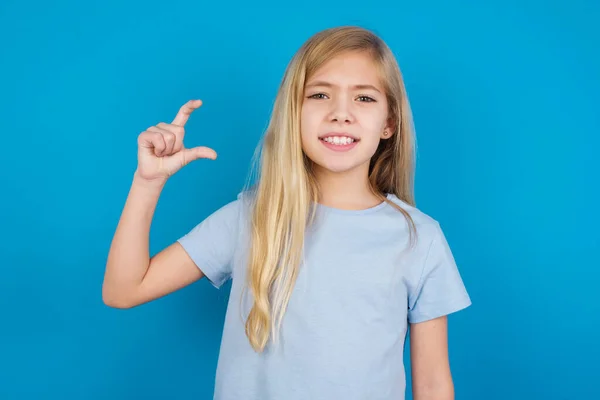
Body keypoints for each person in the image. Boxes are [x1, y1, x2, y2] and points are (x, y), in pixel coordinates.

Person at [102, 25, 472, 400]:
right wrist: (147, 183)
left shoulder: (419, 238)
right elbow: (123, 290)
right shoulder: (250, 217)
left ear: (389, 123)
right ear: (293, 112)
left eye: (363, 98)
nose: (340, 114)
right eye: (320, 94)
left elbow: (432, 385)